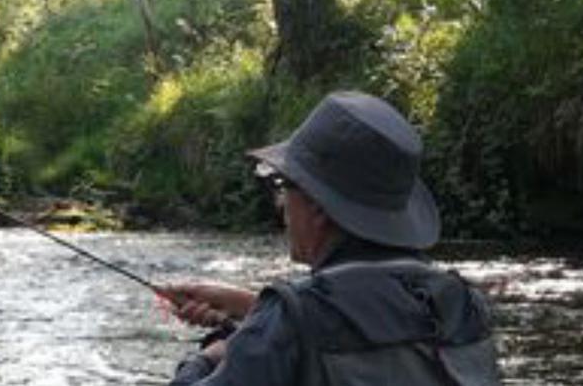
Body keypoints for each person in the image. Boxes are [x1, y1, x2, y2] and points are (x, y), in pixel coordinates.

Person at [161, 91, 500, 385]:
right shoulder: (464, 305)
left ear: (318, 207)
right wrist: (255, 310)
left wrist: (211, 356)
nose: (280, 204)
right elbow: (379, 331)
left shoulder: (292, 320)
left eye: (284, 185)